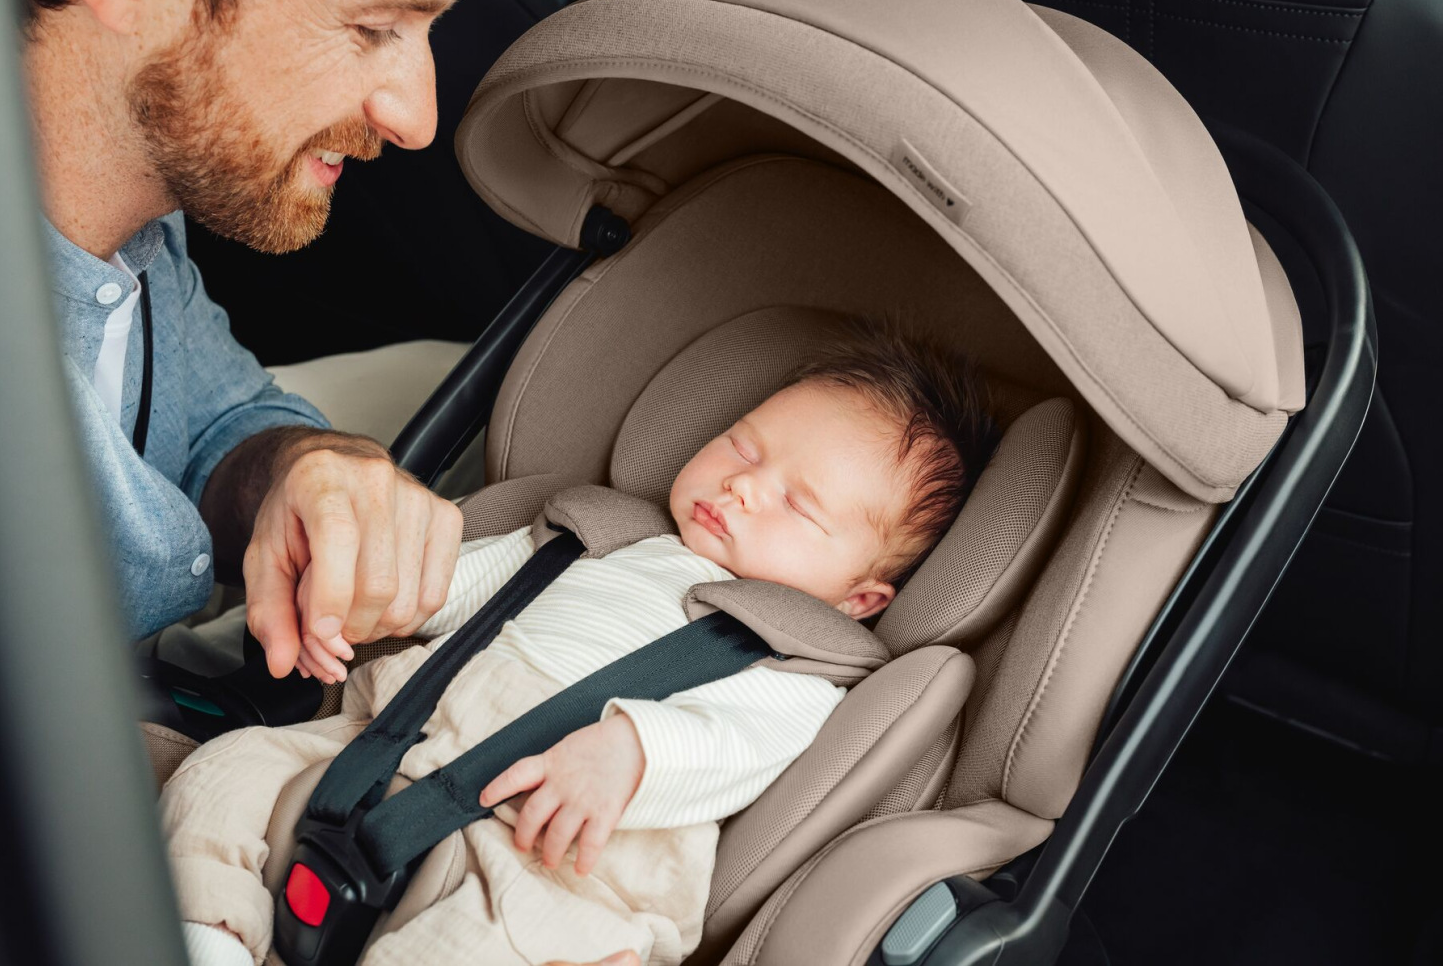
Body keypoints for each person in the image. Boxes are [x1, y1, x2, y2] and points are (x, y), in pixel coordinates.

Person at [161, 326, 996, 966]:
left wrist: (634, 750)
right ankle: (210, 934)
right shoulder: (596, 536)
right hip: (384, 749)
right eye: (743, 446)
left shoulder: (796, 665)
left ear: (859, 598)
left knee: (486, 946)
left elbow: (739, 746)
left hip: (549, 855)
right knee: (224, 771)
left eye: (797, 504)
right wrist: (366, 605)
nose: (743, 484)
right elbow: (460, 590)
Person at [12, 0, 516, 668]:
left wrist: (300, 471)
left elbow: (213, 422)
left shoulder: (141, 224)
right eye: (372, 27)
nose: (416, 121)